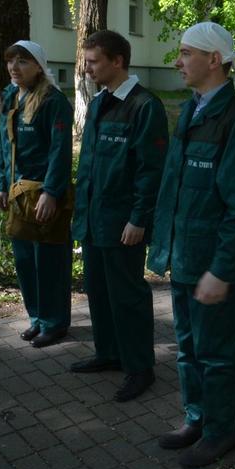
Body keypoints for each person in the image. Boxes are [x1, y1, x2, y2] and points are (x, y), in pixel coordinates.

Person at [147, 22, 235, 468]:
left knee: (216, 353)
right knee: (187, 348)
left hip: (212, 263)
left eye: (185, 53)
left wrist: (222, 270)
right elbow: (175, 189)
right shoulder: (192, 110)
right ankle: (196, 418)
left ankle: (222, 432)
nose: (178, 62)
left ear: (214, 60)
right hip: (183, 255)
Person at [69, 30, 169, 402]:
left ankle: (140, 367)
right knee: (98, 291)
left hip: (124, 222)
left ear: (117, 61)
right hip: (94, 220)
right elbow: (90, 166)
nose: (87, 68)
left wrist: (139, 217)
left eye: (94, 61)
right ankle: (109, 353)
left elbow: (150, 170)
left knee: (128, 296)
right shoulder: (98, 103)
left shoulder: (145, 106)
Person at [0, 41, 73, 348]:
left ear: (39, 66)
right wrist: (3, 184)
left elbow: (60, 151)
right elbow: (6, 145)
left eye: (23, 61)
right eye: (11, 61)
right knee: (26, 261)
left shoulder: (53, 101)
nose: (15, 67)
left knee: (50, 261)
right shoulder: (10, 96)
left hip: (43, 194)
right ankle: (37, 318)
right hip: (18, 193)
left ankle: (55, 323)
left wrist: (52, 192)